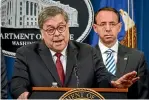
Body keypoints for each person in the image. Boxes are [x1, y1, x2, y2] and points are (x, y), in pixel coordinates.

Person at [10, 6, 139, 99]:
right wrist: (22, 94)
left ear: (67, 27)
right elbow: (17, 83)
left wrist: (114, 82)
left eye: (61, 27)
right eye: (50, 29)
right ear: (42, 33)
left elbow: (103, 77)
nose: (57, 34)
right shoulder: (27, 53)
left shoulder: (87, 51)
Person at [93, 7, 148, 99]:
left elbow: (143, 96)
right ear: (95, 28)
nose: (108, 29)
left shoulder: (137, 58)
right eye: (103, 24)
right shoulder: (85, 56)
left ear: (119, 27)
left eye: (112, 24)